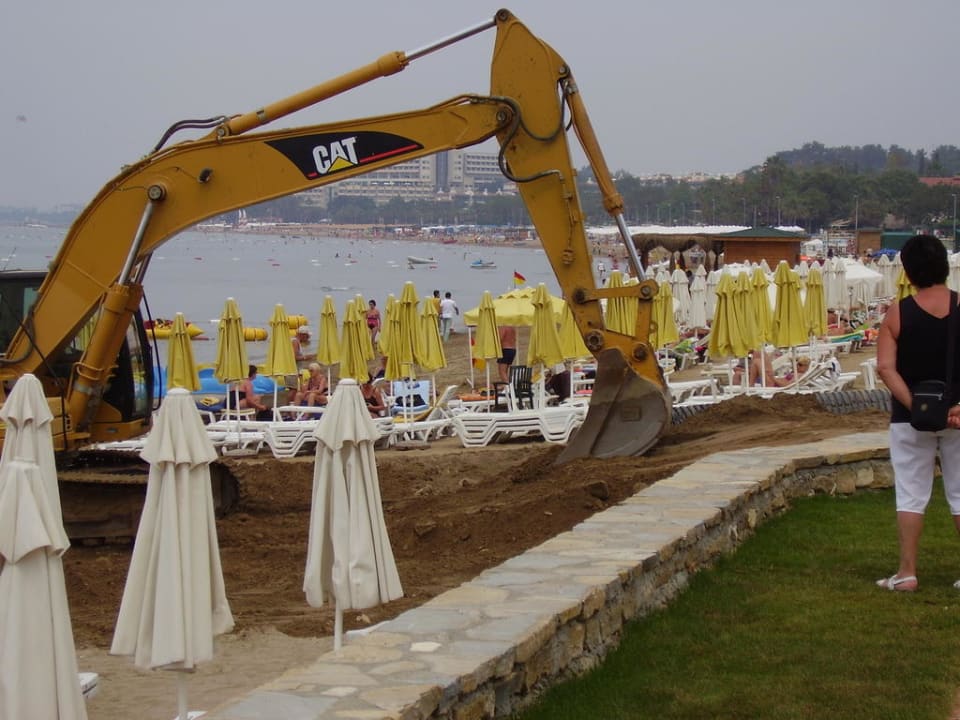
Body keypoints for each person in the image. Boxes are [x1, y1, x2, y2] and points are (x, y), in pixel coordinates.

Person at [877, 234, 960, 592]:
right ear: (944, 266)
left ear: (908, 272)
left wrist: (919, 407)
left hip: (910, 418)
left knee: (910, 494)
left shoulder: (897, 313)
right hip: (958, 416)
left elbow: (885, 368)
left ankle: (907, 573)